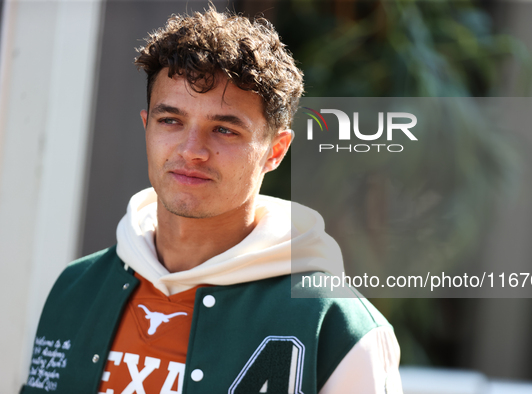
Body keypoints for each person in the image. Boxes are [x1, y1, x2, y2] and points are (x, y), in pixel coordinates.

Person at [21, 7, 402, 394]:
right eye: (170, 121)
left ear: (276, 151)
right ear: (146, 127)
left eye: (224, 129)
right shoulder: (76, 289)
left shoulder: (338, 326)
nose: (192, 150)